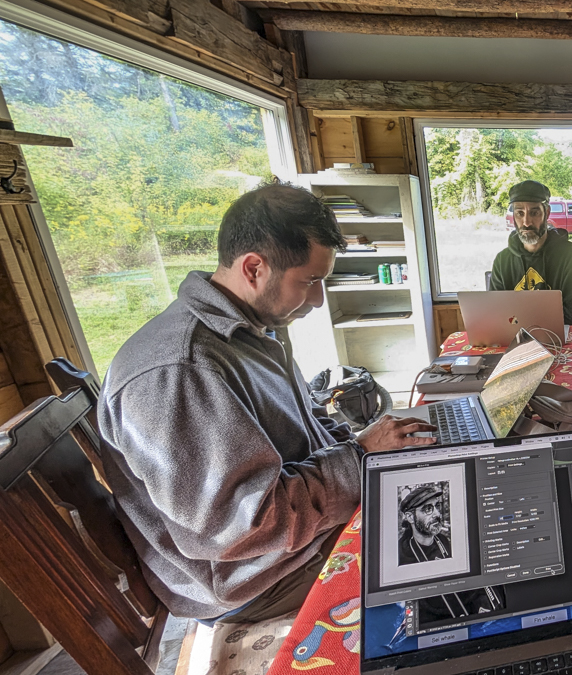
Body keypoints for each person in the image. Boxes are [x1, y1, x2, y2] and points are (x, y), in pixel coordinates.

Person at [98, 182, 437, 622]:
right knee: (454, 552)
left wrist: (370, 452)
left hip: (301, 536)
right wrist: (359, 457)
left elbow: (311, 425)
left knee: (460, 492)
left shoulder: (251, 332)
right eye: (311, 281)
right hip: (260, 577)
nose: (317, 299)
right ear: (254, 267)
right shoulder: (181, 371)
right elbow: (245, 529)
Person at [489, 180, 572, 325]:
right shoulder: (502, 260)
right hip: (515, 340)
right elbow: (496, 313)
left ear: (547, 213)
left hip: (563, 342)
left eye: (534, 212)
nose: (526, 222)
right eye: (519, 213)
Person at [397, 485, 504, 622]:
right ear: (410, 517)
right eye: (428, 509)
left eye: (436, 506)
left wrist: (480, 605)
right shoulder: (402, 555)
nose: (436, 514)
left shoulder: (443, 541)